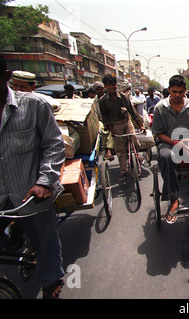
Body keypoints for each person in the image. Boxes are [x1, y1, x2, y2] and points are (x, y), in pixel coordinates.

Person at [0, 56, 66, 299]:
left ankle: (50, 281)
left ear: (7, 78)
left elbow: (54, 145)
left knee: (45, 239)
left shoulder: (34, 105)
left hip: (30, 193)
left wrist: (44, 181)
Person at [152, 75, 189, 224]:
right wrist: (175, 142)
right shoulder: (160, 108)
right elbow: (159, 134)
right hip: (168, 142)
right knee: (166, 156)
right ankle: (174, 198)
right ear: (169, 90)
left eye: (181, 92)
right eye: (174, 92)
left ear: (185, 90)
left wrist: (188, 140)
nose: (178, 95)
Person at [98, 74, 145, 180]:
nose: (112, 87)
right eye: (109, 85)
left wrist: (141, 126)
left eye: (113, 85)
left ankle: (137, 156)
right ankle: (123, 171)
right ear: (106, 86)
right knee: (120, 150)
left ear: (116, 85)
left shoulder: (123, 96)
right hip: (115, 125)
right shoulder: (103, 101)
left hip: (127, 122)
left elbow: (132, 112)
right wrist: (112, 130)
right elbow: (105, 117)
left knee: (135, 140)